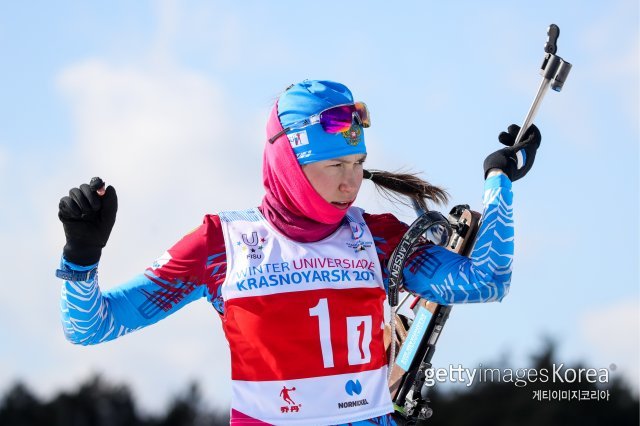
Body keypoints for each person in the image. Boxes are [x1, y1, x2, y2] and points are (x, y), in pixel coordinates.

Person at [56, 79, 541, 425]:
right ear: (289, 162)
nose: (352, 181)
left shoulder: (376, 238)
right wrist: (81, 255)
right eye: (335, 164)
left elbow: (485, 280)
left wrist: (498, 182)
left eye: (358, 163)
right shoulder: (221, 247)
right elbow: (89, 326)